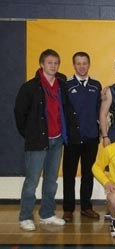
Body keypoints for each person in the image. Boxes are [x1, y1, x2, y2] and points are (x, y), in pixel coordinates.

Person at [14, 49, 67, 231]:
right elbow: (19, 115)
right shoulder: (30, 87)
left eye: (56, 63)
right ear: (41, 64)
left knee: (51, 180)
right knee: (32, 181)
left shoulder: (62, 84)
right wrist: (31, 134)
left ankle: (47, 213)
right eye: (50, 62)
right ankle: (25, 216)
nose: (53, 66)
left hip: (57, 140)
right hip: (37, 142)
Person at [62, 52, 102, 222]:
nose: (82, 66)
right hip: (72, 138)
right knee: (69, 175)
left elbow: (101, 111)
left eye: (84, 63)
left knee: (88, 173)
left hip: (91, 138)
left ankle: (86, 207)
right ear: (74, 65)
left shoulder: (96, 85)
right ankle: (68, 209)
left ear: (89, 64)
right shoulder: (66, 86)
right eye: (78, 63)